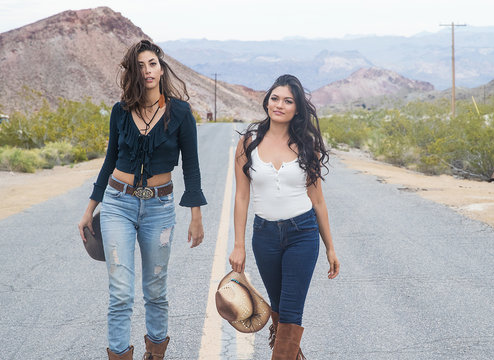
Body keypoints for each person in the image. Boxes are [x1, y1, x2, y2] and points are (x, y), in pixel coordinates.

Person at [78, 40, 207, 360]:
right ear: (133, 73)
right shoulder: (120, 112)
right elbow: (109, 162)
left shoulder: (180, 113)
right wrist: (90, 209)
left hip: (159, 209)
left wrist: (196, 215)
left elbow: (191, 165)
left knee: (156, 291)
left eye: (152, 63)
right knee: (120, 293)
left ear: (161, 68)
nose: (147, 70)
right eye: (140, 66)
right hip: (118, 204)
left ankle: (155, 354)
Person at [229, 74, 340, 359]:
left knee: (291, 311)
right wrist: (238, 244)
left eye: (288, 101)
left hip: (302, 234)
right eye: (275, 98)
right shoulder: (249, 143)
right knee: (278, 307)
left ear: (297, 109)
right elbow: (241, 197)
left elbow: (317, 199)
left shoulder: (307, 145)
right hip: (264, 236)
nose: (279, 105)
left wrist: (330, 247)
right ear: (267, 102)